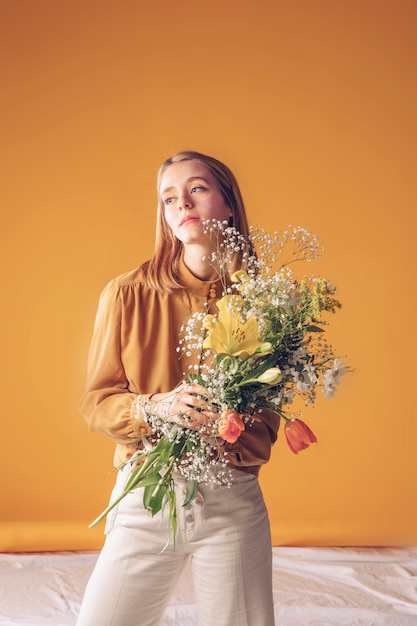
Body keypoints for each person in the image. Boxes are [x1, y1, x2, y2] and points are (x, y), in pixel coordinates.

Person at [76, 151, 280, 626]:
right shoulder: (126, 293)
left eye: (197, 189)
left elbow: (267, 426)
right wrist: (156, 409)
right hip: (145, 496)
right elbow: (96, 403)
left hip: (232, 504)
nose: (181, 203)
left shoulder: (265, 301)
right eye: (169, 198)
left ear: (228, 204)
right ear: (164, 217)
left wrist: (228, 426)